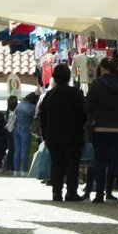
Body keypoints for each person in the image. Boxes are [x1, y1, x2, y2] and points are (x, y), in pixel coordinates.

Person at [85, 57, 118, 203]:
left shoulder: (97, 83)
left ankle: (99, 195)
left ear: (103, 68)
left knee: (101, 162)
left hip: (100, 127)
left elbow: (87, 106)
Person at [38, 65, 86, 201]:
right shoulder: (75, 93)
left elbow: (43, 117)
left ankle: (56, 192)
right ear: (68, 77)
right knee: (72, 164)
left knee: (56, 164)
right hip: (72, 135)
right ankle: (71, 192)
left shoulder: (49, 95)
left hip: (53, 136)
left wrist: (45, 135)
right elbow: (82, 114)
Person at [11, 92, 37, 176]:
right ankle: (24, 171)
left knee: (17, 150)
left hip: (16, 129)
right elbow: (34, 119)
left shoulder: (20, 104)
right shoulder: (32, 108)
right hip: (25, 130)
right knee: (24, 151)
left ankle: (16, 170)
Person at [3, 95, 18, 173]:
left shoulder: (8, 111)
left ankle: (9, 167)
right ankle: (9, 167)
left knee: (11, 150)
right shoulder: (13, 111)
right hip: (11, 131)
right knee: (12, 150)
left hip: (9, 131)